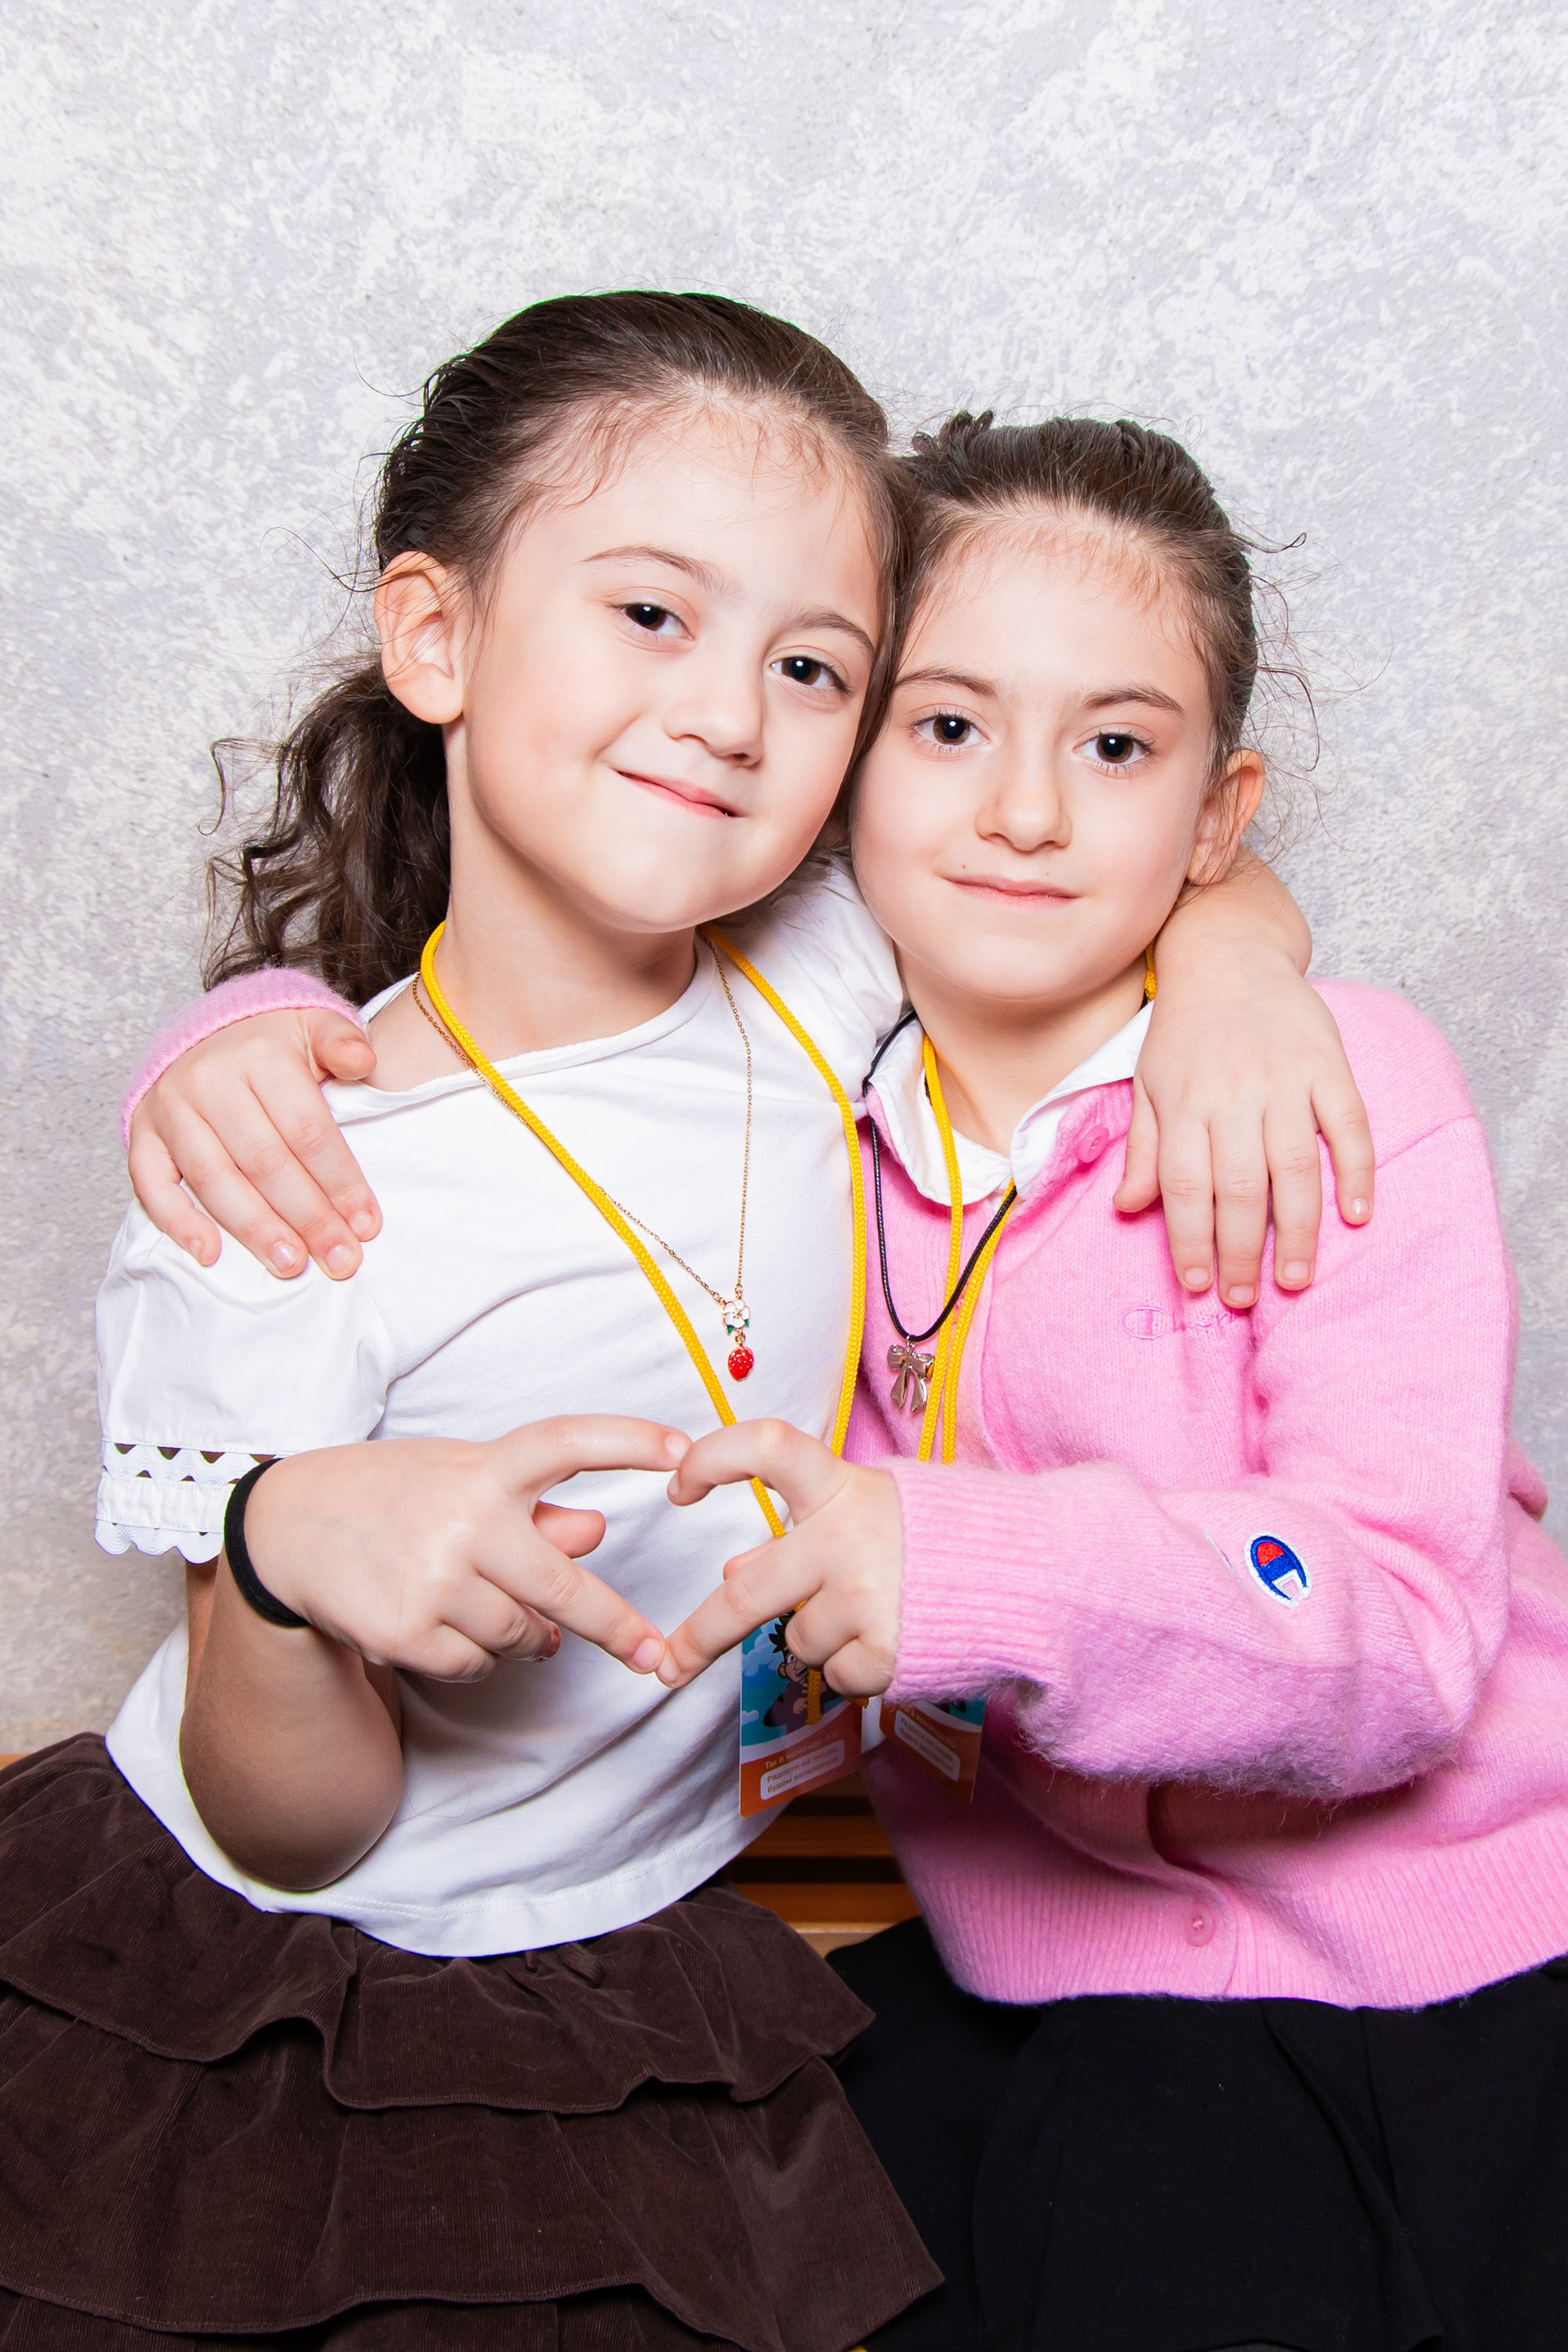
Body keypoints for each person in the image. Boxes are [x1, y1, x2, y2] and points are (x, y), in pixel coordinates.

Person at [72, 309, 1365, 2348]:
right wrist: (282, 1552)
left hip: (693, 1898)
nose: (731, 716)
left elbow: (1130, 856)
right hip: (342, 1977)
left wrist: (1239, 978)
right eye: (653, 614)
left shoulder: (817, 968)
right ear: (436, 638)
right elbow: (287, 1829)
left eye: (813, 668)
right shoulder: (287, 1183)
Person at [651, 414, 1568, 2352]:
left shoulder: (1326, 1086)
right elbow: (508, 1002)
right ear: (843, 754)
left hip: (1474, 1961)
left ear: (1218, 819)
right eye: (949, 726)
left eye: (1117, 749)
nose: (1027, 814)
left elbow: (1405, 1628)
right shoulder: (787, 1109)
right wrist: (252, 1041)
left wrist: (972, 1572)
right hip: (1058, 1969)